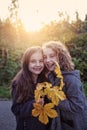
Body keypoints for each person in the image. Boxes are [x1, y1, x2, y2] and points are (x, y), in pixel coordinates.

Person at [42, 41, 87, 130]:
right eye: (44, 57)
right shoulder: (52, 76)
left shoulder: (71, 80)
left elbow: (78, 107)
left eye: (52, 56)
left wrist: (54, 97)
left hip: (72, 125)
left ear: (61, 57)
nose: (47, 60)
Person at [11, 46, 50, 130]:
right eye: (33, 61)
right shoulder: (19, 83)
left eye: (41, 61)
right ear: (26, 63)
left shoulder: (45, 81)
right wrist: (33, 104)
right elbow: (16, 109)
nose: (38, 65)